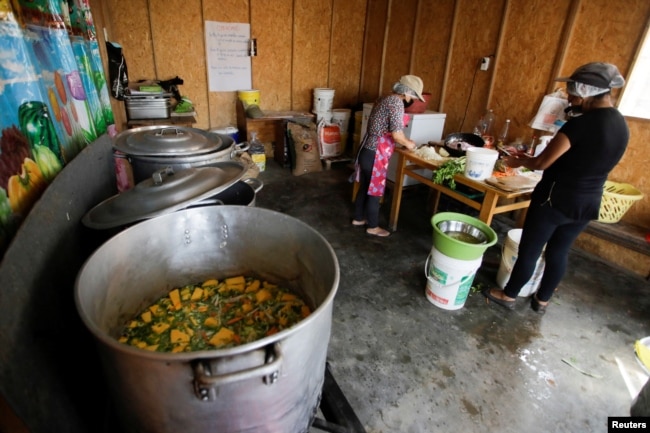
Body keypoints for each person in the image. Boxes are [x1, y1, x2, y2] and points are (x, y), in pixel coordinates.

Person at [482, 62, 629, 314]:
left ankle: (508, 295)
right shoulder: (621, 124)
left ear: (585, 91)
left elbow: (541, 162)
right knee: (560, 251)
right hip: (588, 201)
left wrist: (518, 160)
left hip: (555, 199)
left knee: (531, 248)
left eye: (572, 91)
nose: (569, 96)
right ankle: (542, 300)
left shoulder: (580, 125)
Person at [352, 75, 424, 237]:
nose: (412, 100)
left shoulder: (385, 98)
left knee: (365, 186)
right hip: (376, 154)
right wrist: (410, 144)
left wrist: (404, 140)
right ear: (406, 92)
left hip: (367, 150)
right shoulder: (396, 103)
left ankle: (358, 218)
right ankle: (373, 226)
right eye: (413, 96)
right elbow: (397, 135)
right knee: (375, 190)